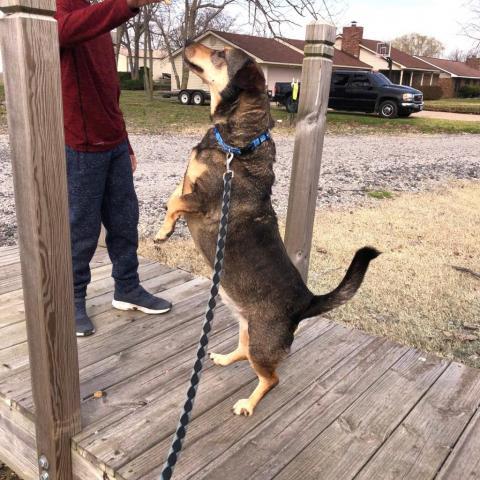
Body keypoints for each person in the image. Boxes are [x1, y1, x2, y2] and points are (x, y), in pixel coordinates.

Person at [55, 0, 172, 336]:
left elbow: (110, 90)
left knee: (124, 220)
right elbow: (61, 32)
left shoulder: (97, 14)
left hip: (114, 142)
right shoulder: (59, 6)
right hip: (81, 143)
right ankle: (72, 298)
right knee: (81, 229)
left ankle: (127, 288)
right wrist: (127, 4)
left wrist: (127, 143)